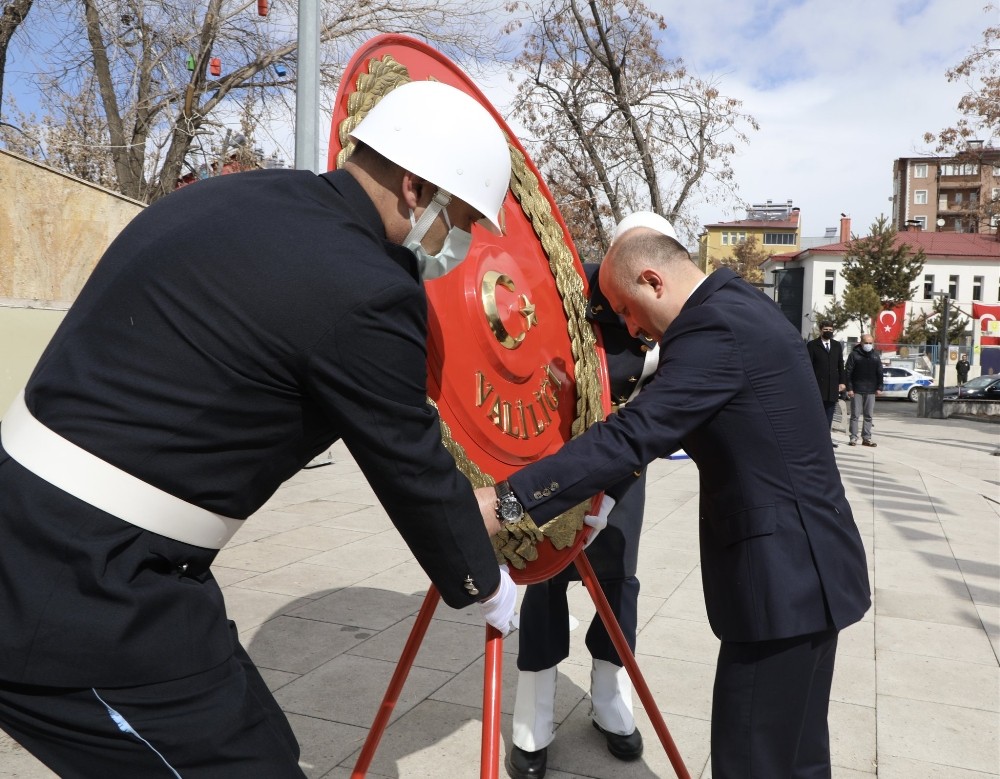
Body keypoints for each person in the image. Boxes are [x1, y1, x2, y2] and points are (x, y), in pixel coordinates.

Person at [0, 80, 519, 777]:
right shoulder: (368, 288)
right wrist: (487, 580)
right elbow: (413, 466)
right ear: (415, 189)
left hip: (53, 529)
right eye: (460, 218)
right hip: (77, 588)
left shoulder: (228, 197)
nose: (458, 242)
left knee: (266, 742)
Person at [475, 213, 870, 779]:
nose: (634, 331)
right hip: (814, 572)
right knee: (799, 759)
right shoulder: (740, 305)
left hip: (779, 583)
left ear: (653, 282)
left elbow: (634, 432)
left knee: (752, 762)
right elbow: (650, 434)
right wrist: (596, 505)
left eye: (629, 311)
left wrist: (505, 501)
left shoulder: (711, 333)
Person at [507, 213, 669, 779]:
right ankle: (533, 718)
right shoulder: (573, 298)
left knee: (619, 580)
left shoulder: (672, 309)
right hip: (562, 463)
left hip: (625, 472)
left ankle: (608, 702)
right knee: (546, 581)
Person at [806, 321, 846, 448]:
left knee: (829, 414)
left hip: (832, 386)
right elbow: (808, 366)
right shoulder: (812, 345)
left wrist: (842, 382)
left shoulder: (836, 345)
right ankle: (814, 438)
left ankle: (826, 439)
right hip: (818, 385)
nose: (828, 331)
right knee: (817, 414)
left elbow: (840, 365)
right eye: (826, 329)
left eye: (830, 329)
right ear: (820, 330)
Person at [845, 333, 884, 447]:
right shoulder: (854, 355)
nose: (868, 345)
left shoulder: (876, 356)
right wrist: (850, 388)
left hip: (871, 390)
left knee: (868, 416)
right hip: (856, 389)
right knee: (855, 415)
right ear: (861, 343)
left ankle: (866, 438)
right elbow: (848, 372)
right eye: (866, 343)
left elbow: (880, 372)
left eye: (870, 343)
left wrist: (879, 387)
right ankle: (853, 438)